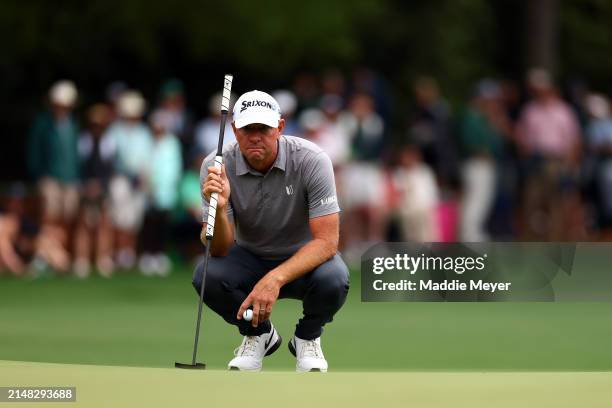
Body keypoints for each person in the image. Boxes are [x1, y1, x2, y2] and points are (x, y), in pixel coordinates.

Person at [193, 90, 349, 372]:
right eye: (247, 128)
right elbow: (219, 249)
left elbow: (327, 242)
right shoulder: (215, 167)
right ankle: (258, 334)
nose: (255, 136)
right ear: (234, 130)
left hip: (304, 259)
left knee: (335, 278)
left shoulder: (312, 160)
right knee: (206, 274)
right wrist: (220, 208)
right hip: (250, 256)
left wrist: (274, 279)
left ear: (279, 127)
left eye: (263, 128)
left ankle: (307, 337)